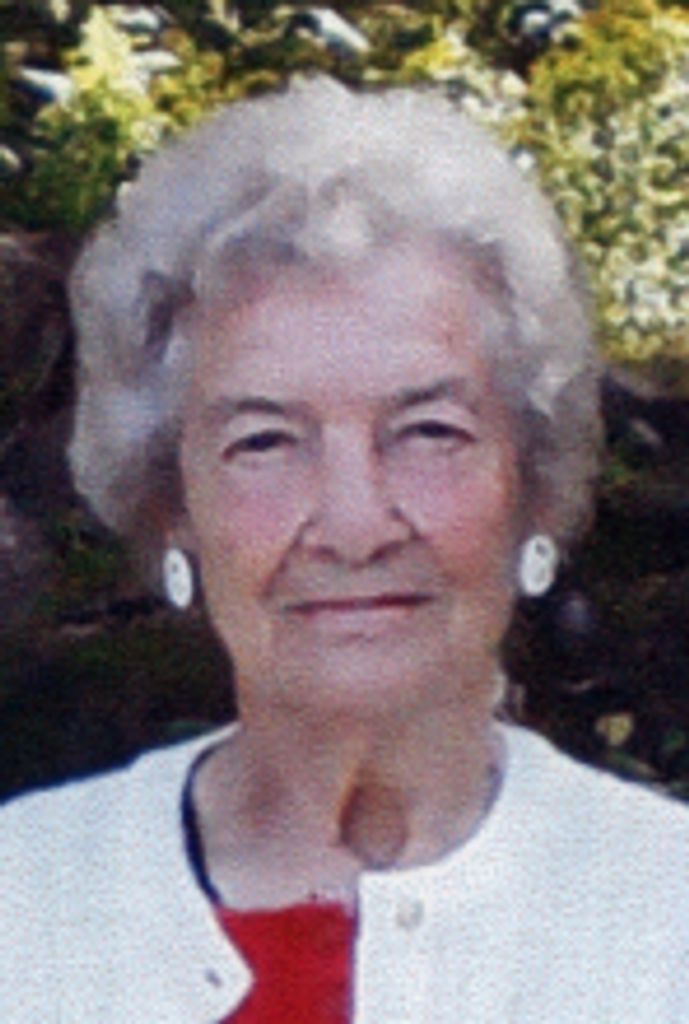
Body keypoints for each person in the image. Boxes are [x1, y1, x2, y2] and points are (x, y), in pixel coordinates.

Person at [2, 75, 688, 1023]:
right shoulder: (25, 912)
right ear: (173, 509)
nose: (355, 526)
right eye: (264, 442)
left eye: (429, 432)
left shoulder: (664, 918)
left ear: (530, 486)